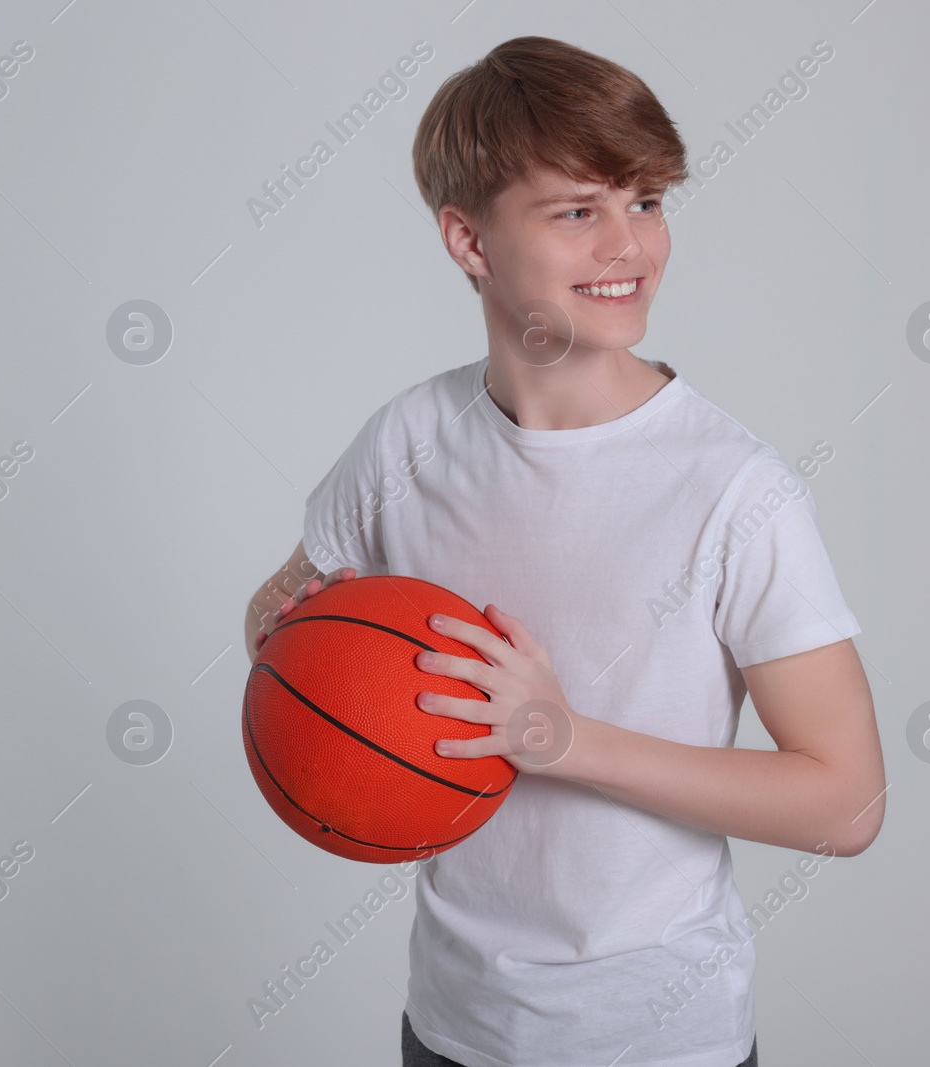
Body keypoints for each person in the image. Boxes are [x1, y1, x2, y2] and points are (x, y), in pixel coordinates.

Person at [244, 35, 883, 1067]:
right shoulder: (408, 441)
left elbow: (846, 801)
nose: (628, 245)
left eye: (647, 201)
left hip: (661, 1040)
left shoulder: (733, 489)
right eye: (577, 210)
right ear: (469, 242)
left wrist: (562, 738)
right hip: (451, 1026)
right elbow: (279, 606)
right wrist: (292, 629)